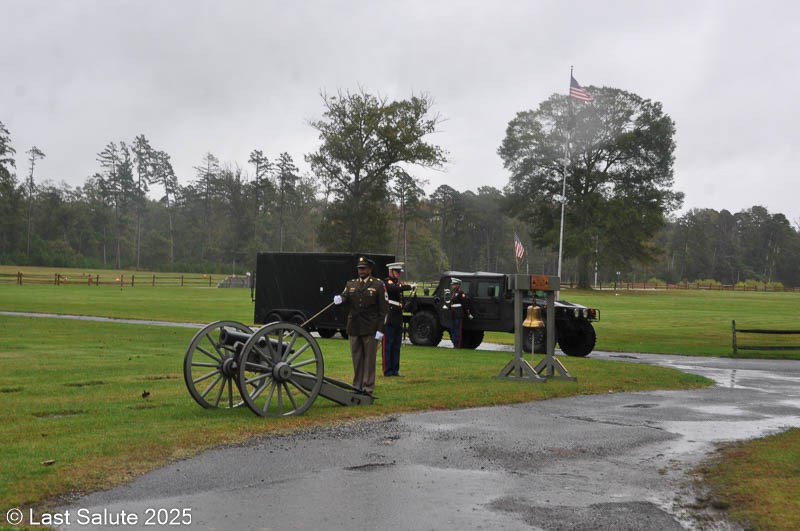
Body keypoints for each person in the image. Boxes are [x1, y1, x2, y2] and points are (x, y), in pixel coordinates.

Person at [333, 256, 389, 395]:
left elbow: (384, 310)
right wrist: (340, 299)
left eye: (364, 268)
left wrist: (381, 329)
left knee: (369, 360)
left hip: (370, 327)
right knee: (357, 358)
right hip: (354, 327)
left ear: (370, 269)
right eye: (359, 268)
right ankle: (357, 386)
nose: (361, 271)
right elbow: (345, 296)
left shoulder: (378, 285)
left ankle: (367, 387)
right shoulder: (351, 284)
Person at [382, 262, 415, 377]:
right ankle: (387, 370)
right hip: (390, 316)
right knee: (388, 345)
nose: (398, 274)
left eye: (399, 272)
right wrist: (409, 286)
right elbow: (393, 289)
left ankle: (395, 370)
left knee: (396, 345)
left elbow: (401, 299)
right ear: (390, 271)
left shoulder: (398, 283)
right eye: (396, 272)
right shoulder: (387, 282)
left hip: (397, 316)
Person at [448, 277, 473, 348]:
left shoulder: (461, 293)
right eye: (452, 284)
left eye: (454, 284)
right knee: (452, 329)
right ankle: (454, 344)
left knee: (457, 330)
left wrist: (468, 313)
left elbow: (465, 304)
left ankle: (458, 345)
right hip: (453, 313)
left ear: (458, 285)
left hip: (458, 313)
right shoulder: (453, 292)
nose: (452, 286)